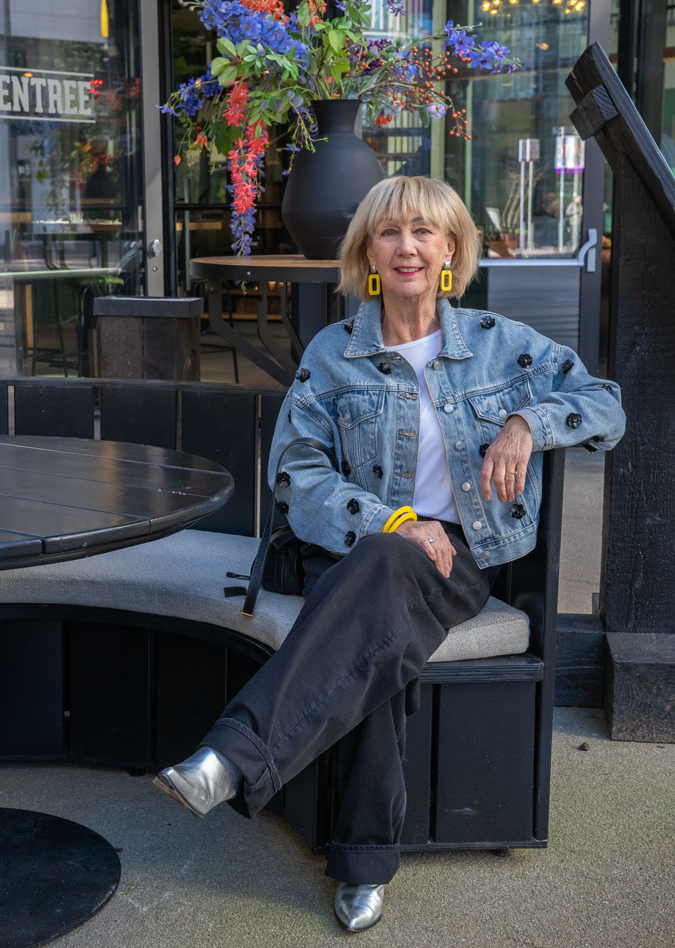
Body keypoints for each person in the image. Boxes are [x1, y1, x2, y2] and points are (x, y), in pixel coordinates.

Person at [154, 176, 625, 932]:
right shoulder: (334, 353)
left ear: (451, 249)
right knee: (379, 606)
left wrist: (527, 425)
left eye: (424, 231)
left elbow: (606, 404)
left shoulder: (500, 344)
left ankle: (232, 757)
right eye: (389, 232)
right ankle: (362, 866)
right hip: (352, 544)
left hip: (457, 558)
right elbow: (296, 470)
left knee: (380, 591)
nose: (407, 247)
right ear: (367, 251)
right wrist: (392, 520)